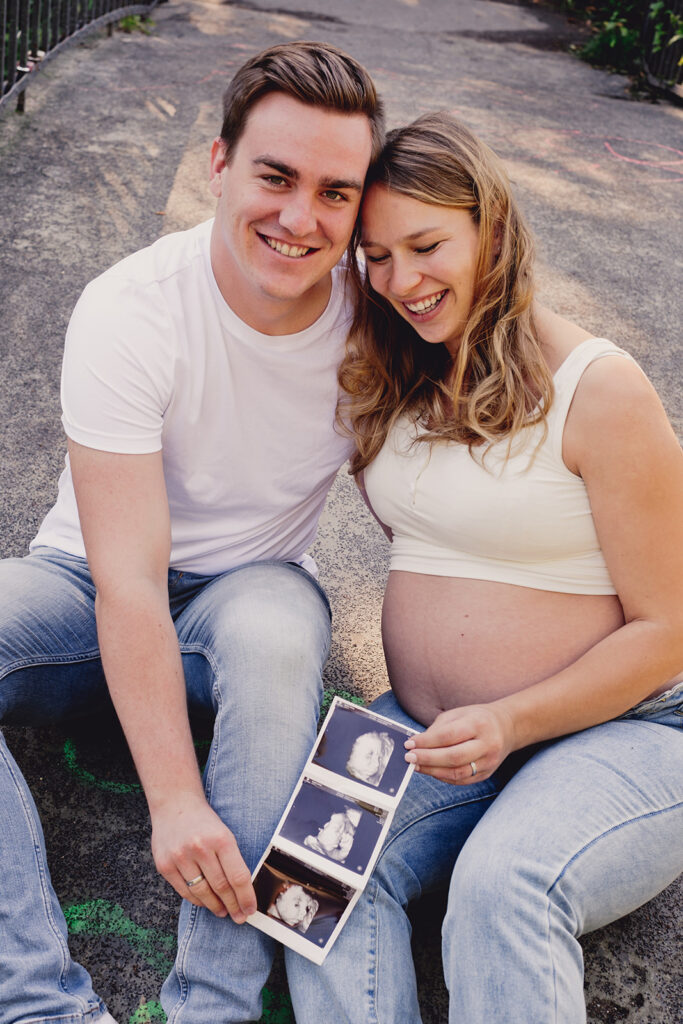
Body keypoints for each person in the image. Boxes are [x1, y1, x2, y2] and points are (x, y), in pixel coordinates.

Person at [0, 42, 383, 1024]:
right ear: (217, 165)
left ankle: (213, 1005)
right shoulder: (130, 312)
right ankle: (42, 1003)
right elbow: (127, 581)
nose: (300, 218)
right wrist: (174, 800)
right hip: (89, 581)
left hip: (251, 587)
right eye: (274, 175)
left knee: (274, 637)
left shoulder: (374, 320)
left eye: (335, 193)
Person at [286, 112, 683, 1023]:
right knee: (309, 875)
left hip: (627, 730)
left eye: (426, 246)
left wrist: (510, 714)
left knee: (505, 884)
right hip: (442, 733)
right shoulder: (398, 372)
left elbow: (667, 629)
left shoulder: (600, 388)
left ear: (490, 229)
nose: (402, 282)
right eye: (376, 258)